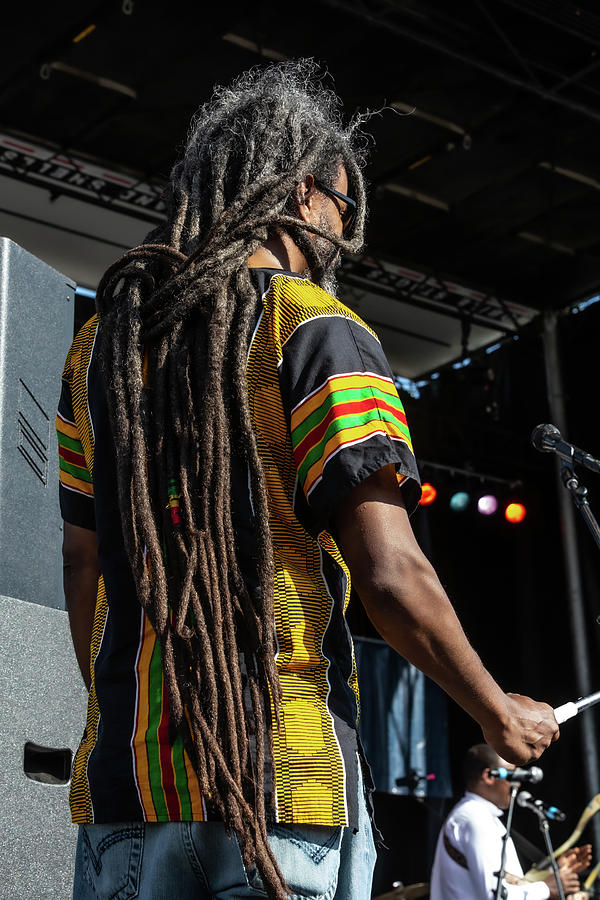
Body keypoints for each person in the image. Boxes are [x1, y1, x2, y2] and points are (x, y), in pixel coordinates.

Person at [57, 60, 559, 900]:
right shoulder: (319, 330)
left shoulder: (100, 348)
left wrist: (137, 720)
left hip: (125, 798)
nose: (344, 223)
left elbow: (82, 566)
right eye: (342, 202)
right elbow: (391, 574)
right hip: (279, 794)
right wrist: (495, 713)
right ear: (300, 195)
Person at [429, 744, 589, 899]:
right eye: (513, 775)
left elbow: (508, 884)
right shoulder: (474, 818)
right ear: (488, 776)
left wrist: (552, 872)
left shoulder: (479, 816)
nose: (518, 784)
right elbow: (496, 894)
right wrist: (547, 888)